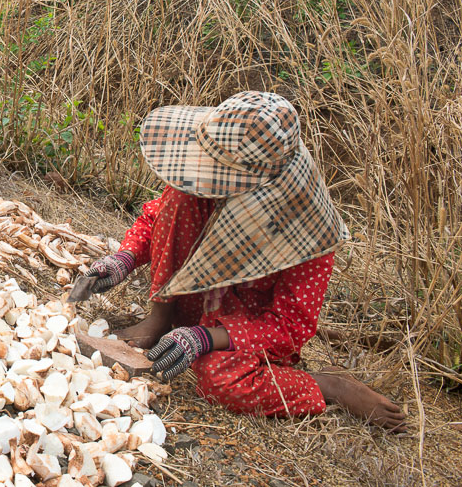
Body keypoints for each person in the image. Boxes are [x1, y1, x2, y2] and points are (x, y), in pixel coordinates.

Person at [69, 91, 405, 432]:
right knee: (180, 196)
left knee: (218, 378)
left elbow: (289, 327)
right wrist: (124, 258)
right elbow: (157, 219)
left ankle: (329, 385)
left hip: (239, 331)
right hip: (190, 299)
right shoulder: (199, 188)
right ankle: (160, 317)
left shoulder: (311, 235)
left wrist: (205, 338)